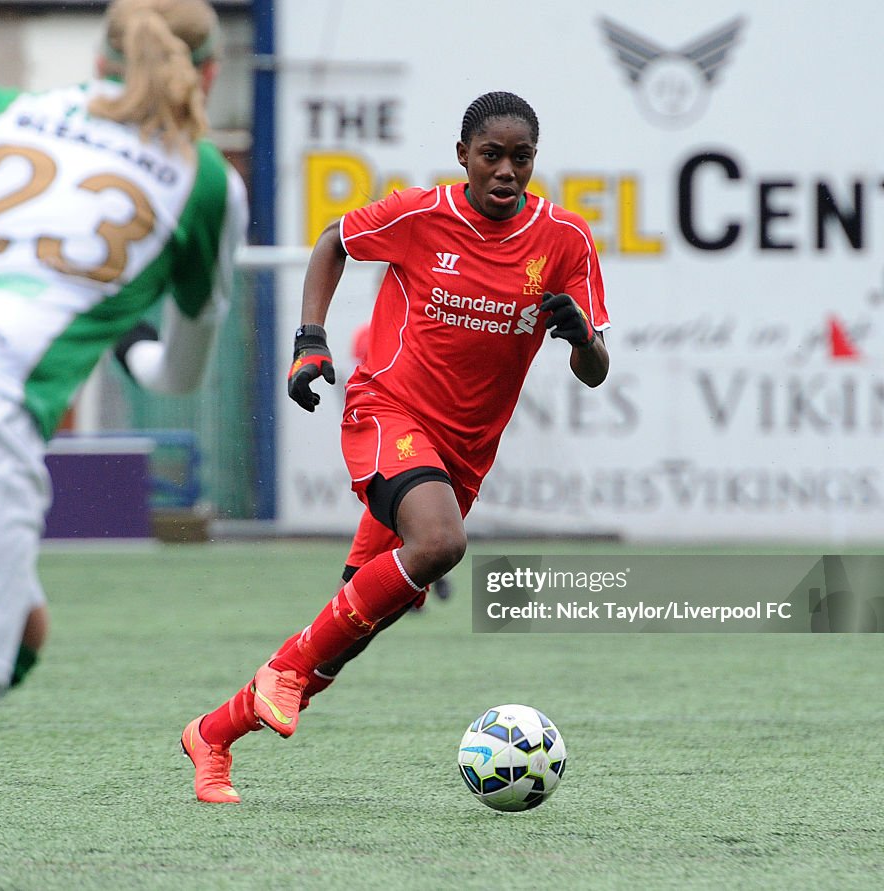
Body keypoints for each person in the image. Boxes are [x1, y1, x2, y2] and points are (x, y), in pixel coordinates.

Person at [0, 0, 246, 858]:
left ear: (99, 56)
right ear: (211, 75)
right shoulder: (209, 183)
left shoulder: (3, 109)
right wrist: (132, 351)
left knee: (23, 626)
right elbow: (178, 374)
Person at [180, 90, 610, 803]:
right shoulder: (423, 213)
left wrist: (581, 337)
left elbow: (594, 371)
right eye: (491, 155)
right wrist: (310, 341)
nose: (506, 170)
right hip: (389, 410)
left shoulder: (564, 240)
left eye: (521, 157)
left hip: (462, 456)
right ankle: (279, 675)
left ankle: (214, 734)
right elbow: (333, 242)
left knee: (354, 624)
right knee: (440, 543)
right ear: (463, 157)